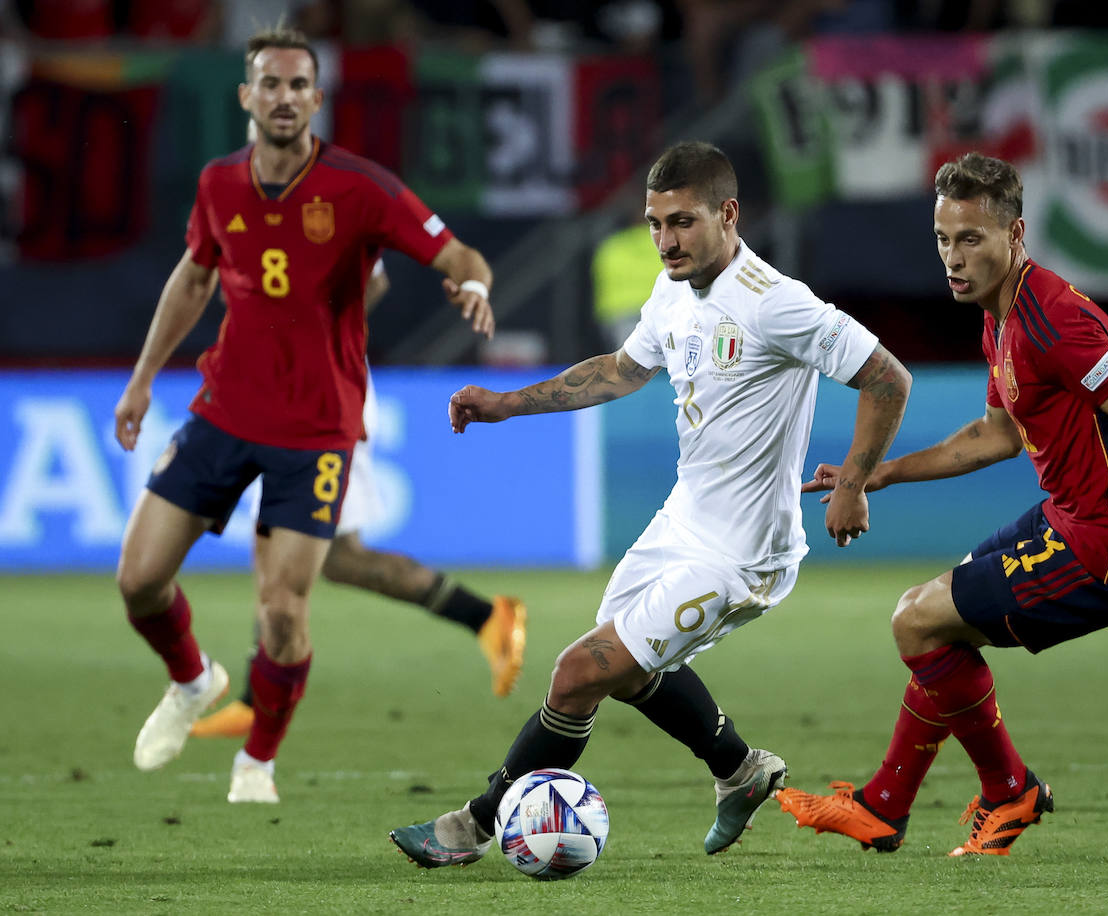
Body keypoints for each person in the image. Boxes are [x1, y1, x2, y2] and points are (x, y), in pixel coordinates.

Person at [388, 140, 911, 867]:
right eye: (655, 223)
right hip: (681, 524)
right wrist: (507, 404)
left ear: (727, 214)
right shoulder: (673, 290)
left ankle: (471, 826)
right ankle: (739, 769)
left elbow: (888, 378)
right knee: (625, 671)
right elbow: (618, 371)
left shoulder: (777, 304)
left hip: (742, 555)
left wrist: (853, 483)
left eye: (682, 222)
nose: (665, 241)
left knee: (578, 674)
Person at [775, 152, 1108, 857]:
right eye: (944, 240)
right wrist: (879, 474)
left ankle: (976, 794)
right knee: (936, 621)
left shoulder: (1056, 320)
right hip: (1071, 517)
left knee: (915, 621)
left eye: (971, 239)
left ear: (1015, 235)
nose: (953, 257)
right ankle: (893, 804)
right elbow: (997, 435)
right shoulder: (1000, 315)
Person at [113, 25, 497, 805]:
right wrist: (142, 378)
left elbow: (458, 255)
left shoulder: (362, 188)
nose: (283, 97)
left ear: (317, 99)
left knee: (282, 610)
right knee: (139, 580)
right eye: (270, 83)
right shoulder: (219, 183)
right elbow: (193, 280)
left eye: (298, 85)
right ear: (246, 96)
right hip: (223, 411)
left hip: (317, 429)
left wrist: (475, 288)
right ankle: (193, 680)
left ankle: (256, 761)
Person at [190, 258, 526, 740]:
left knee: (283, 542)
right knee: (339, 558)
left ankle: (256, 703)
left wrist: (314, 338)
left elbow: (374, 278)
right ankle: (486, 616)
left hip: (327, 387)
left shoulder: (326, 190)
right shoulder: (252, 196)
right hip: (286, 381)